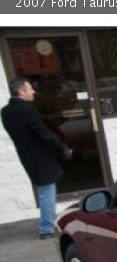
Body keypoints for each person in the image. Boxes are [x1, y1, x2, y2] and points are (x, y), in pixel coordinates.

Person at [1, 77, 72, 239]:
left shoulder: (5, 112)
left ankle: (48, 224)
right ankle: (47, 227)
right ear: (21, 92)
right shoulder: (27, 111)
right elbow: (43, 133)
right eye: (29, 88)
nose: (33, 91)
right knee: (47, 191)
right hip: (39, 157)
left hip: (26, 156)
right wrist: (61, 146)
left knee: (44, 190)